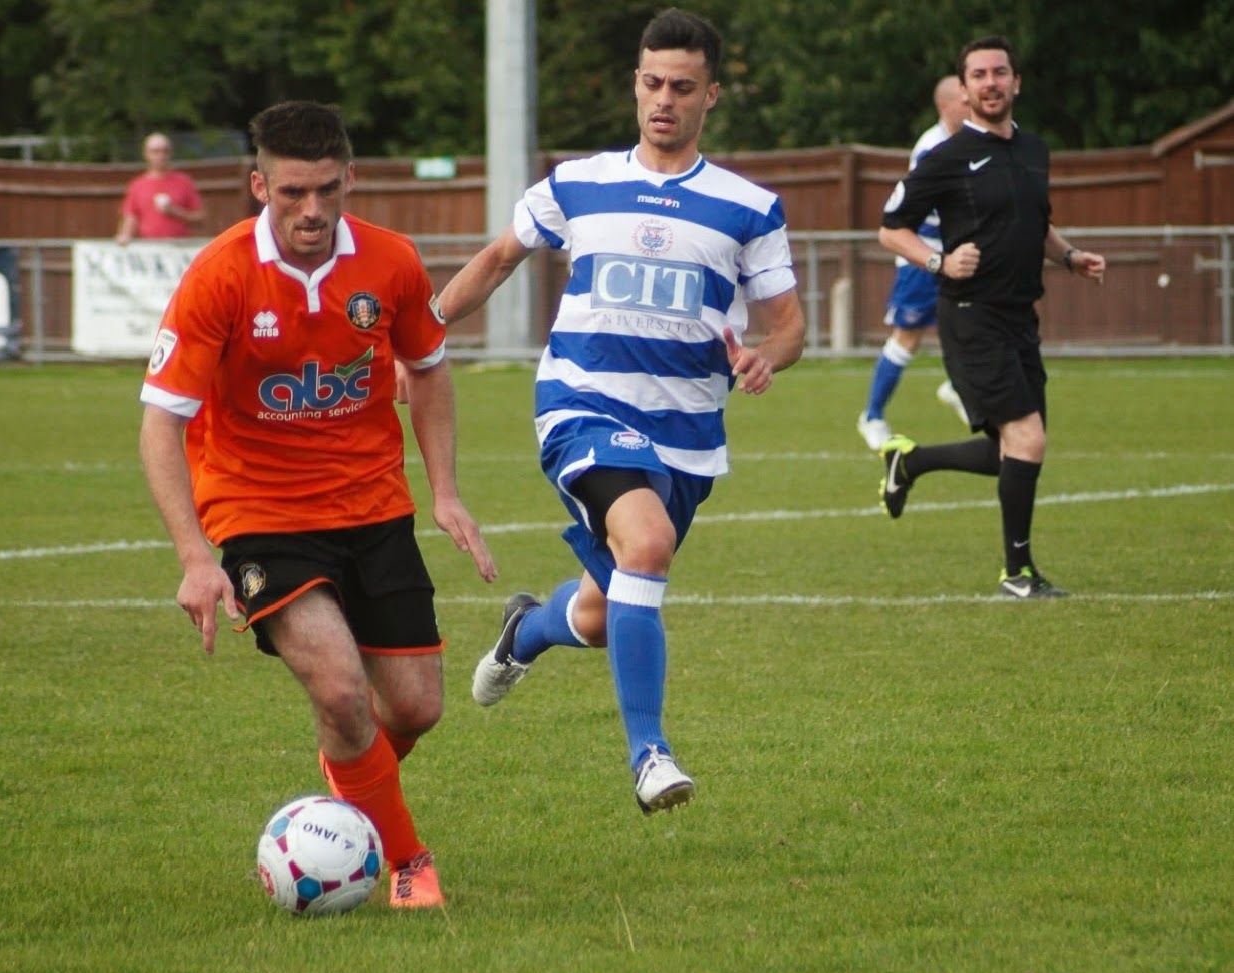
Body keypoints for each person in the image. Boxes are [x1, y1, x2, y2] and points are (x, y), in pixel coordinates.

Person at [435, 8, 805, 814]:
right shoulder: (577, 181)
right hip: (580, 402)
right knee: (647, 540)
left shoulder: (749, 207)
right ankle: (650, 756)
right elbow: (500, 259)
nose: (662, 100)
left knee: (606, 610)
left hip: (687, 433)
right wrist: (420, 339)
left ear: (712, 94)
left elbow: (788, 326)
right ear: (635, 87)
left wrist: (762, 358)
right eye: (650, 84)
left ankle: (525, 630)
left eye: (680, 87)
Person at [137, 100, 496, 908]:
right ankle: (408, 864)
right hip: (258, 511)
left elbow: (429, 368)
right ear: (258, 184)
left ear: (350, 179)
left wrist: (444, 493)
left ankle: (340, 803)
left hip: (373, 507)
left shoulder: (392, 263)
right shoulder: (221, 275)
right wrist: (196, 556)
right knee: (339, 690)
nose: (311, 210)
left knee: (415, 706)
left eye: (327, 190)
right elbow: (162, 420)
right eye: (292, 192)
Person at [876, 35, 1105, 599]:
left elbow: (1038, 225)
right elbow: (890, 227)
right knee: (1027, 439)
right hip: (971, 316)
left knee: (1013, 449)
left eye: (999, 73)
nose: (990, 83)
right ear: (965, 88)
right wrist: (939, 260)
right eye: (978, 75)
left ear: (1015, 82)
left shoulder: (1034, 151)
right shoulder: (946, 156)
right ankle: (1017, 574)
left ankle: (909, 462)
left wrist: (1071, 257)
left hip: (1021, 317)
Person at [857, 76, 972, 451]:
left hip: (961, 252)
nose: (971, 105)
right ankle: (872, 416)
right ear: (946, 106)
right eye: (963, 99)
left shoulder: (973, 140)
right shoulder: (932, 148)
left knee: (973, 322)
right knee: (907, 337)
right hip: (926, 254)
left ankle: (958, 387)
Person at [115, 132, 206, 244]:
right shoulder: (137, 185)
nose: (161, 156)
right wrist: (125, 236)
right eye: (156, 151)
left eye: (165, 151)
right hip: (150, 248)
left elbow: (200, 218)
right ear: (146, 154)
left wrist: (175, 212)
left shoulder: (184, 182)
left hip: (179, 247)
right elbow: (131, 217)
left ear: (171, 153)